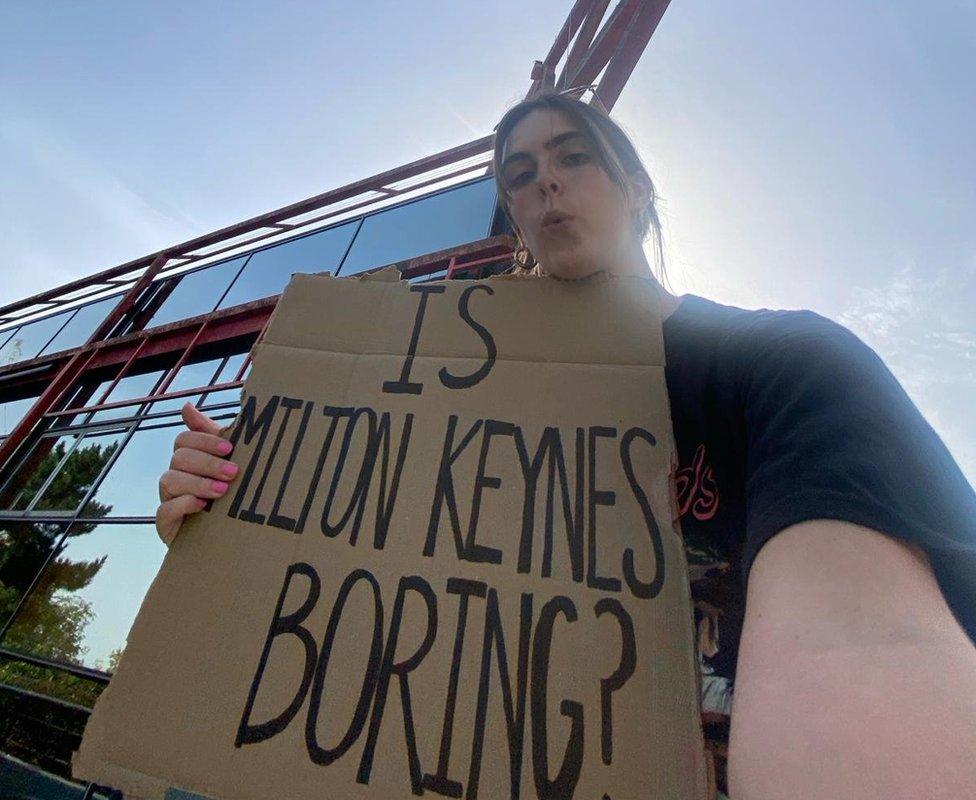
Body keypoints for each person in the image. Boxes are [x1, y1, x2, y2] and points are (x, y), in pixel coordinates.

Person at [156, 91, 976, 799]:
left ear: (639, 188)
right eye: (518, 175)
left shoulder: (783, 370)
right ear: (514, 213)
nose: (544, 181)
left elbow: (860, 646)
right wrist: (227, 516)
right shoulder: (461, 418)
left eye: (574, 156)